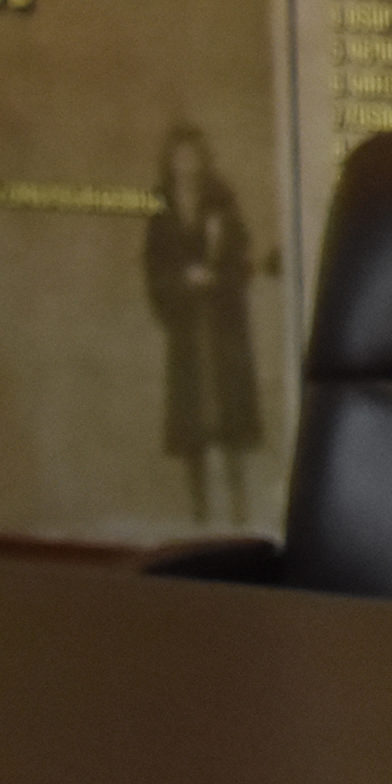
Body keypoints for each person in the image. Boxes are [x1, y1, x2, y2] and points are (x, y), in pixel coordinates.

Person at [144, 124, 265, 524]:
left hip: (222, 325)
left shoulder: (222, 202)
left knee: (230, 418)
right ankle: (199, 513)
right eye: (180, 157)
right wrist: (182, 281)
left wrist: (217, 278)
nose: (187, 164)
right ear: (170, 162)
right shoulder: (161, 209)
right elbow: (153, 266)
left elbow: (243, 262)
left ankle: (239, 508)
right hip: (187, 327)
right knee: (192, 422)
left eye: (193, 156)